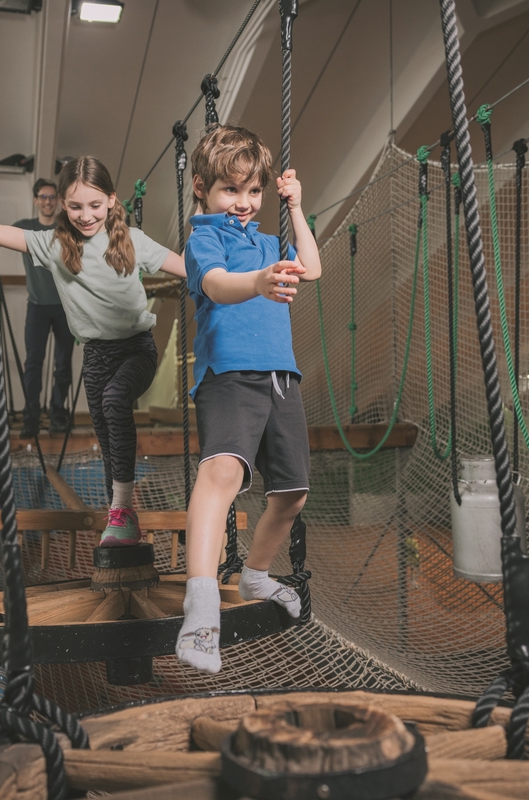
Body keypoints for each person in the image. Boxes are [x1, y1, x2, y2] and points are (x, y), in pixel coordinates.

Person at [0, 143, 186, 545]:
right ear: (62, 204)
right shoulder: (54, 245)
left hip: (136, 349)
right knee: (108, 441)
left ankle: (122, 510)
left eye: (95, 205)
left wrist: (246, 281)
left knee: (115, 400)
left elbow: (190, 269)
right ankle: (121, 517)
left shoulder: (132, 241)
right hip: (96, 357)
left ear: (111, 200)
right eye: (75, 206)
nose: (86, 215)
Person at [175, 124, 322, 674]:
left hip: (281, 376)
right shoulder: (204, 238)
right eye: (230, 190)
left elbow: (312, 267)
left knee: (292, 494)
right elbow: (215, 284)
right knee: (222, 475)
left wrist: (296, 208)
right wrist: (258, 282)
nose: (243, 202)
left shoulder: (268, 240)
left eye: (253, 191)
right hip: (230, 373)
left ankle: (255, 575)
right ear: (202, 189)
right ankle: (201, 607)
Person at [13, 179, 75, 438]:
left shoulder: (67, 227)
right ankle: (31, 418)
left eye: (52, 197)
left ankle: (58, 415)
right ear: (36, 200)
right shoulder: (25, 228)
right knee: (33, 364)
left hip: (65, 307)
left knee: (63, 364)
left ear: (58, 200)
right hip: (37, 308)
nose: (48, 202)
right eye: (43, 197)